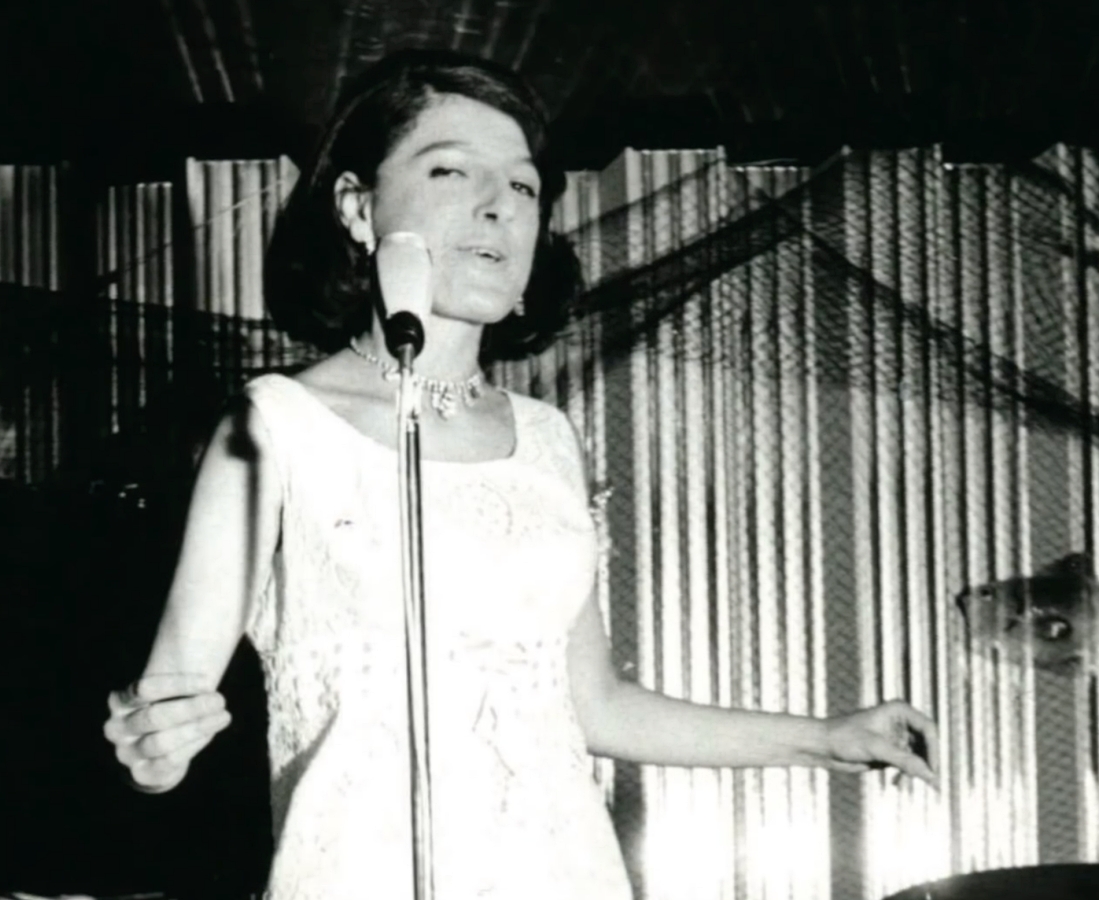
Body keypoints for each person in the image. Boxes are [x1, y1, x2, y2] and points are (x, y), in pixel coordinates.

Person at [103, 49, 939, 900]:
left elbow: (595, 706)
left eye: (523, 185)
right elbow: (166, 710)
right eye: (449, 170)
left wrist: (823, 738)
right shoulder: (273, 425)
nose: (499, 204)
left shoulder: (545, 438)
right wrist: (153, 750)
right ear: (357, 206)